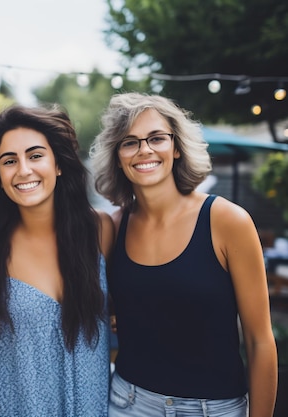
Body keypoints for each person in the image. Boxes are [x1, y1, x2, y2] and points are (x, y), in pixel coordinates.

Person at [90, 92, 277, 417]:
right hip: (128, 404)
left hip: (214, 409)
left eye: (156, 138)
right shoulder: (114, 228)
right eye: (129, 142)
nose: (144, 149)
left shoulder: (227, 221)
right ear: (117, 156)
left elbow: (259, 341)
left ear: (176, 147)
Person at [0, 105, 114, 416]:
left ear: (59, 165)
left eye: (35, 155)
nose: (23, 169)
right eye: (9, 161)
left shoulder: (100, 230)